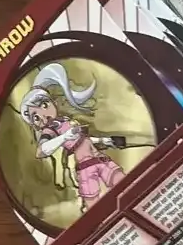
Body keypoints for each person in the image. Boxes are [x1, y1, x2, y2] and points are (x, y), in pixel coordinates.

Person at [18, 63, 126, 212]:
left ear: (54, 103)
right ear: (34, 124)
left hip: (101, 160)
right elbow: (41, 151)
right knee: (94, 206)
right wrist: (64, 137)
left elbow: (83, 141)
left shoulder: (65, 122)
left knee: (125, 185)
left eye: (44, 105)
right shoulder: (50, 130)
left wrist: (105, 141)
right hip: (87, 168)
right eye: (35, 117)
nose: (43, 115)